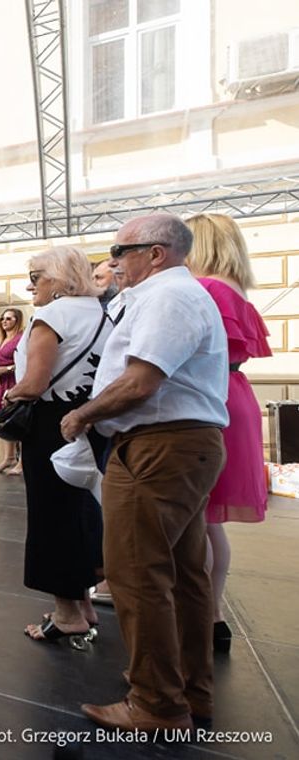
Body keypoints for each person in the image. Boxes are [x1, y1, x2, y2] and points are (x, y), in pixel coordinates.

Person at [60, 213, 228, 733]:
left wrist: (83, 413)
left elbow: (140, 381)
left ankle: (156, 703)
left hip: (160, 446)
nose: (113, 261)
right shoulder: (169, 295)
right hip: (176, 445)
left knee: (136, 574)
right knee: (181, 576)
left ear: (156, 253)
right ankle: (188, 694)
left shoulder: (167, 297)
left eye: (120, 249)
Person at [4, 247, 109, 643]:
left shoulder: (51, 316)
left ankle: (67, 613)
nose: (30, 285)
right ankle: (82, 601)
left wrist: (10, 398)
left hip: (50, 423)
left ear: (61, 278)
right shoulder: (102, 313)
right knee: (82, 511)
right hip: (91, 418)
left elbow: (35, 383)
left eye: (36, 276)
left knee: (52, 516)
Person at [185, 212, 273, 654]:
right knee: (209, 519)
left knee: (198, 518)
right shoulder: (236, 291)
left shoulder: (208, 289)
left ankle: (203, 614)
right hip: (234, 394)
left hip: (212, 397)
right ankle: (212, 615)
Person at [0, 308, 25, 475]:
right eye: (2, 318)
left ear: (17, 320)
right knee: (3, 422)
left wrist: (8, 368)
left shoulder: (21, 338)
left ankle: (22, 462)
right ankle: (8, 457)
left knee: (16, 421)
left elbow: (26, 361)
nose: (4, 321)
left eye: (9, 318)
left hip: (12, 383)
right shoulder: (3, 339)